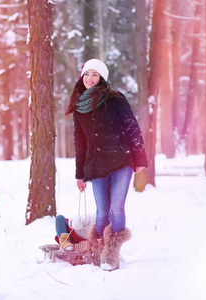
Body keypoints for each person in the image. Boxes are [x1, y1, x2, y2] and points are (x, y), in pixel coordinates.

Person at [62, 58, 148, 271]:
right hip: (96, 165)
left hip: (121, 160)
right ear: (82, 77)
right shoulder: (79, 106)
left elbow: (132, 127)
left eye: (95, 75)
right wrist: (79, 174)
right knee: (101, 213)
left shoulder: (115, 99)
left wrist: (139, 158)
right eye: (87, 74)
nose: (90, 78)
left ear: (101, 78)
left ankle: (111, 256)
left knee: (117, 208)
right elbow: (79, 142)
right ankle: (99, 252)